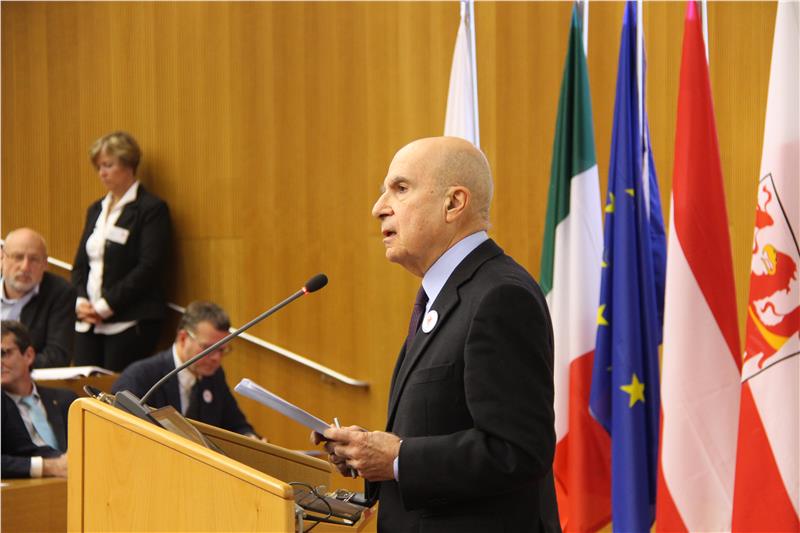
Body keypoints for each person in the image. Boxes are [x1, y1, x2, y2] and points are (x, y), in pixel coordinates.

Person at [317, 137, 560, 532]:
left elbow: (518, 451)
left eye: (400, 188)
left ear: (453, 203)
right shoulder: (444, 296)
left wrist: (399, 458)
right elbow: (441, 425)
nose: (379, 208)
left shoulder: (500, 296)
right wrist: (370, 454)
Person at [72, 131, 172, 372]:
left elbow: (149, 266)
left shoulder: (151, 209)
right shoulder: (96, 209)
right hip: (89, 321)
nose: (102, 173)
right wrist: (81, 300)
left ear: (128, 165)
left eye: (108, 165)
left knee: (117, 390)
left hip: (130, 320)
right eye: (99, 167)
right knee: (83, 388)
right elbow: (81, 264)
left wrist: (106, 305)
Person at [112, 300, 261, 438]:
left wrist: (251, 439)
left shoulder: (214, 374)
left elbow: (236, 424)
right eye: (208, 348)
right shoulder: (140, 377)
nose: (216, 358)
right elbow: (122, 433)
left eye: (222, 350)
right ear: (183, 338)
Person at [2, 320, 76, 478]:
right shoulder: (4, 405)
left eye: (4, 353)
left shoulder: (67, 400)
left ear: (29, 355)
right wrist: (49, 466)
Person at [1, 228, 76, 368]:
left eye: (34, 259)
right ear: (2, 258)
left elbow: (57, 356)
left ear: (45, 264)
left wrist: (10, 366)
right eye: (18, 257)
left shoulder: (60, 293)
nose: (25, 267)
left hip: (30, 379)